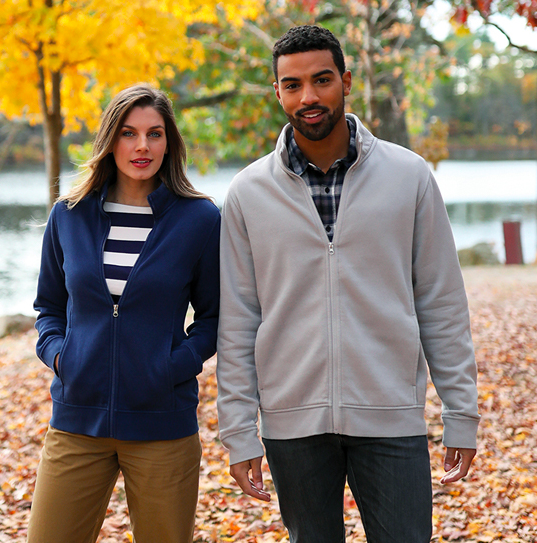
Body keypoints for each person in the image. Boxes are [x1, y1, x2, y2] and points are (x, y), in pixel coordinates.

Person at [216, 25, 480, 542]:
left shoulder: (409, 177)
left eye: (321, 80)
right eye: (292, 85)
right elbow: (239, 318)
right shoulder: (248, 193)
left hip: (390, 414)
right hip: (293, 424)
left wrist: (460, 413)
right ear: (277, 92)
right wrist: (238, 431)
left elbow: (441, 302)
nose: (308, 97)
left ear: (346, 81)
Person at [28, 84, 220, 543]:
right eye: (129, 133)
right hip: (77, 422)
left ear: (168, 142)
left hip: (162, 426)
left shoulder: (199, 219)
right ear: (110, 140)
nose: (142, 147)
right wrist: (61, 356)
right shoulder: (69, 215)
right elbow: (48, 308)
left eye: (155, 134)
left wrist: (171, 365)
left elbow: (215, 319)